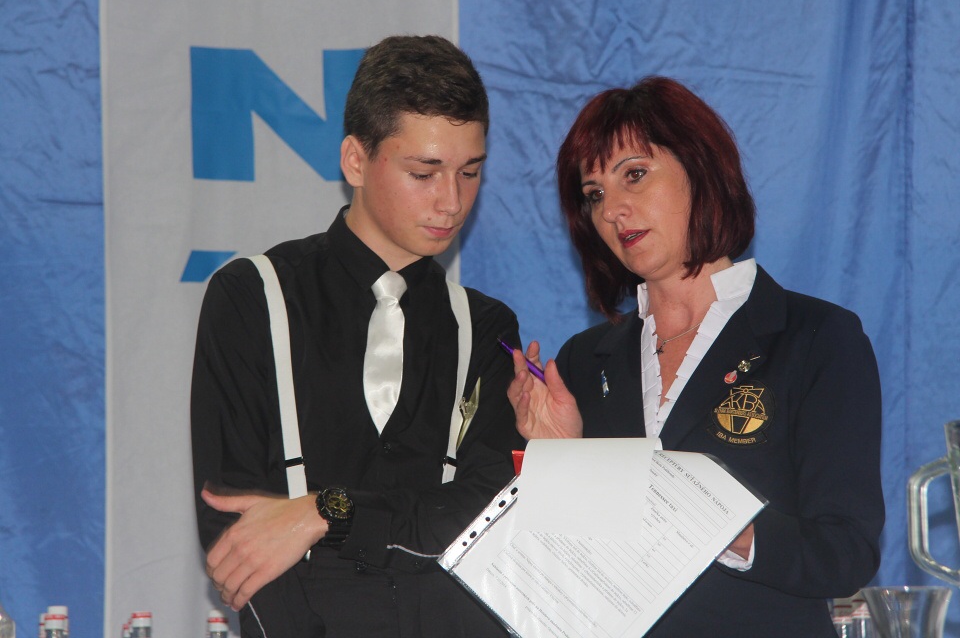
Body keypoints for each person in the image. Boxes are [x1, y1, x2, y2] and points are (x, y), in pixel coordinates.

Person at [508, 76, 884, 637]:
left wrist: (723, 528)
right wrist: (558, 458)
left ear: (701, 169)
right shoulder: (585, 361)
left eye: (634, 174)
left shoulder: (815, 337)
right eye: (594, 195)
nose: (613, 210)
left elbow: (846, 552)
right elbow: (568, 570)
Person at [191, 35, 523, 637]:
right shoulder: (251, 296)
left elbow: (485, 514)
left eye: (470, 172)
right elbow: (237, 541)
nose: (451, 201)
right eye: (424, 172)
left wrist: (324, 512)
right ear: (355, 161)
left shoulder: (487, 327)